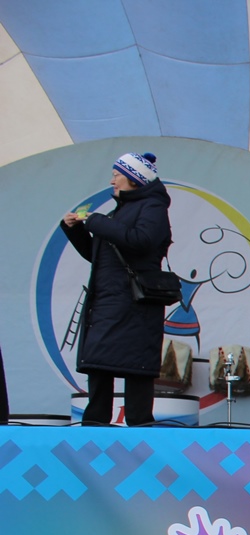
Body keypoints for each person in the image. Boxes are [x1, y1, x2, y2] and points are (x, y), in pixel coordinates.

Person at [60, 151, 173, 426]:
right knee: (98, 363)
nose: (111, 181)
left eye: (116, 175)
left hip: (135, 303)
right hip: (108, 300)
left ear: (134, 178)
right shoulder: (119, 210)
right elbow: (100, 256)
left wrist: (98, 222)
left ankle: (139, 425)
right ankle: (95, 423)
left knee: (136, 367)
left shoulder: (153, 207)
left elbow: (141, 240)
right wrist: (74, 230)